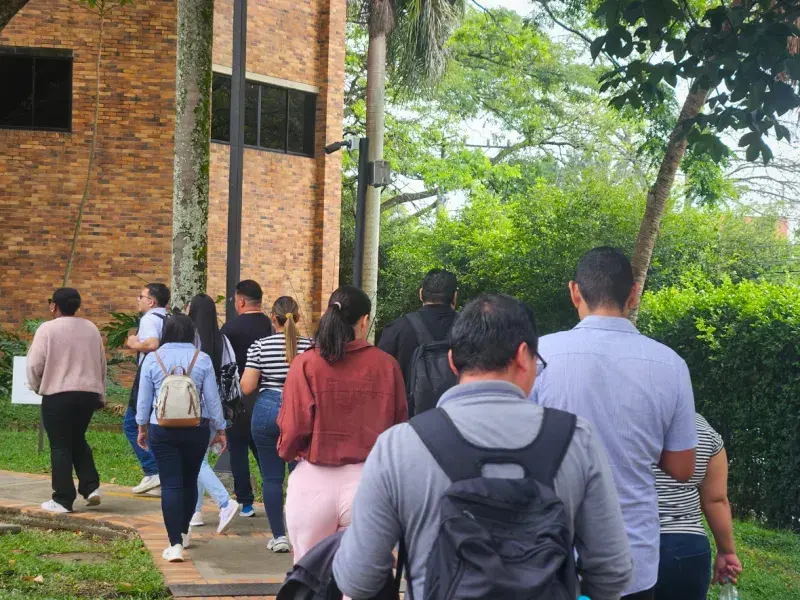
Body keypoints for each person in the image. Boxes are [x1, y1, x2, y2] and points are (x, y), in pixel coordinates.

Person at [333, 293, 633, 599]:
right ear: (522, 356)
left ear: (451, 361)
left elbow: (358, 579)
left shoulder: (398, 446)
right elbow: (613, 572)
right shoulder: (576, 439)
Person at [531, 247, 698, 600]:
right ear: (634, 293)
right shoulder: (670, 364)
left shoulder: (539, 355)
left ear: (574, 291)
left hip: (550, 552)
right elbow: (683, 468)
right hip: (632, 556)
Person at [277, 286, 408, 562]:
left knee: (309, 578)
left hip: (313, 480)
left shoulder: (305, 364)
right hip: (369, 482)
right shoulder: (387, 366)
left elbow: (293, 426)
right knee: (364, 583)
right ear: (364, 321)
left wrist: (289, 452)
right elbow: (399, 430)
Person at [136, 313, 227, 563]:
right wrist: (220, 428)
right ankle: (185, 532)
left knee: (171, 484)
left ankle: (174, 543)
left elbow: (143, 400)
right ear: (191, 333)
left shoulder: (153, 358)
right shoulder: (202, 359)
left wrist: (141, 427)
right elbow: (212, 398)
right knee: (188, 481)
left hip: (161, 429)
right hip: (196, 428)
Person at [241, 296, 313, 553]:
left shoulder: (260, 346)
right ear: (299, 317)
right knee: (300, 477)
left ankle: (279, 536)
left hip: (266, 411)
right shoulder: (311, 347)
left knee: (272, 478)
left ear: (274, 318)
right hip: (300, 414)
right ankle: (299, 535)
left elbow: (247, 386)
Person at [26, 288, 107, 514]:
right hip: (88, 395)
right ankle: (91, 487)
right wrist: (100, 393)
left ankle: (62, 499)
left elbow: (34, 364)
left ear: (54, 306)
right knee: (76, 438)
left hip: (58, 394)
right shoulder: (91, 328)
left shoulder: (47, 329)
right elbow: (101, 364)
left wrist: (36, 386)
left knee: (60, 445)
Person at [654, 413, 742, 600]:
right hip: (688, 549)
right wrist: (727, 551)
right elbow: (716, 500)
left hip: (629, 541)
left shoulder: (620, 417)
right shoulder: (703, 428)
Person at [186, 294, 241, 534]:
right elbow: (232, 372)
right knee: (200, 458)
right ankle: (195, 511)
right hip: (215, 405)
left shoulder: (189, 341)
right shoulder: (223, 340)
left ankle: (225, 502)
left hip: (190, 407)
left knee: (194, 460)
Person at [220, 279, 273, 517]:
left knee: (238, 449)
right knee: (265, 451)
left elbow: (224, 368)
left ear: (240, 301)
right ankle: (275, 494)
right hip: (269, 399)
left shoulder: (230, 329)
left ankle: (246, 503)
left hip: (238, 398)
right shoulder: (275, 326)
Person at [124, 282, 170, 496]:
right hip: (167, 376)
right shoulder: (168, 318)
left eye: (141, 296)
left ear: (151, 301)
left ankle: (153, 471)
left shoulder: (149, 319)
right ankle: (161, 477)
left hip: (148, 375)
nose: (138, 300)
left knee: (132, 424)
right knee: (153, 424)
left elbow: (152, 344)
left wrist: (133, 343)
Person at [377, 269, 458, 383]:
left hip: (407, 401)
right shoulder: (471, 328)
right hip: (459, 400)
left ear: (421, 294)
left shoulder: (397, 328)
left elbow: (380, 376)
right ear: (454, 296)